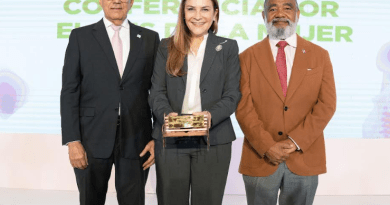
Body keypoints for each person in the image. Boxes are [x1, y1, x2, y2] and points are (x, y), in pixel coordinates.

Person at [236, 0, 337, 204]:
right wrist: (267, 146)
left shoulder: (320, 56)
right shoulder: (246, 57)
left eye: (287, 8)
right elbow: (242, 107)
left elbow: (327, 105)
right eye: (272, 9)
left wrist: (295, 141)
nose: (279, 13)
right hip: (260, 157)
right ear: (264, 17)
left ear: (298, 14)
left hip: (304, 156)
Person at [60, 0, 160, 204]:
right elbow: (70, 91)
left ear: (131, 2)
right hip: (90, 139)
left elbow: (158, 91)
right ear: (100, 1)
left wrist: (156, 137)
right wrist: (73, 141)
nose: (117, 1)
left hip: (137, 139)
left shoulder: (150, 38)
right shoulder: (81, 37)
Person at [148, 0, 241, 204]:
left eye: (205, 9)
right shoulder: (166, 46)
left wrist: (209, 116)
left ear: (215, 14)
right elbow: (156, 92)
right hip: (172, 139)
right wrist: (167, 116)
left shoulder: (228, 47)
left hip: (213, 139)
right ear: (183, 13)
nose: (197, 16)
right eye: (191, 9)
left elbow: (232, 95)